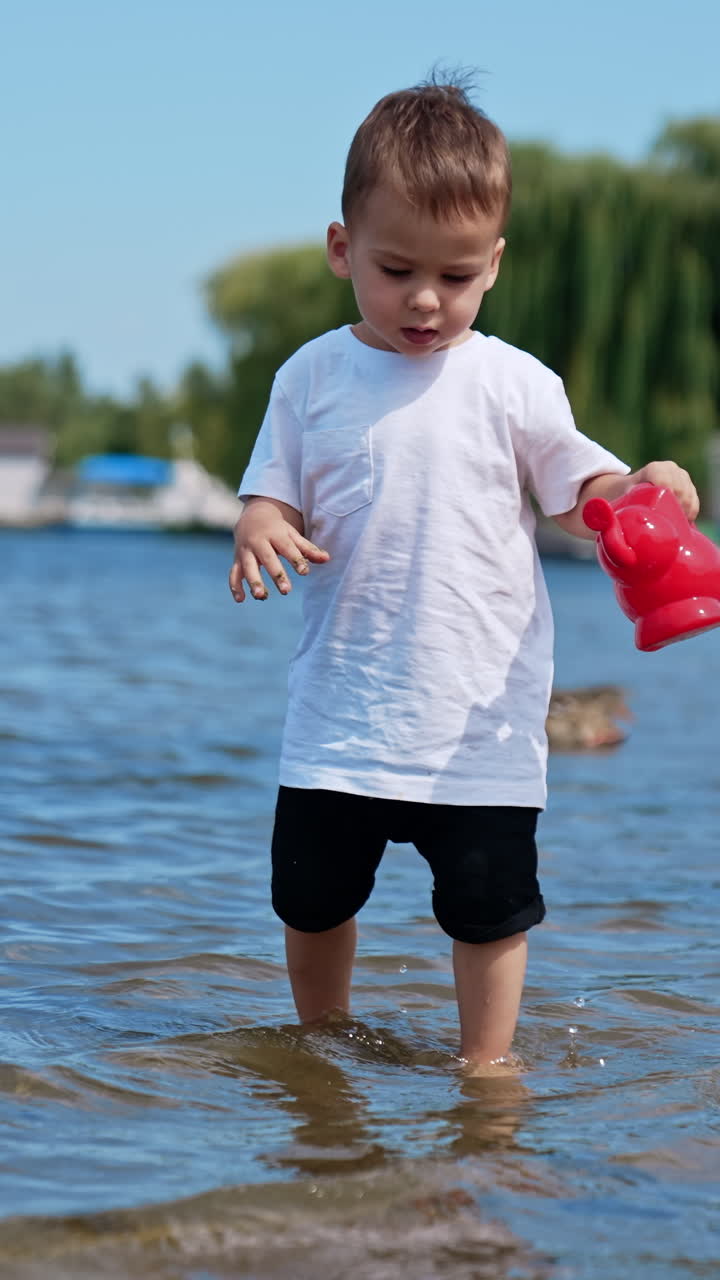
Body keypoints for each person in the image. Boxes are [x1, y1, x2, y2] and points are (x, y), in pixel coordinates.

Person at [228, 79, 698, 1070]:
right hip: (342, 722)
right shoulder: (310, 377)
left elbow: (581, 490)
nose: (428, 299)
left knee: (489, 910)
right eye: (397, 269)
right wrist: (262, 522)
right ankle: (323, 1039)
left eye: (458, 273)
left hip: (477, 725)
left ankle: (488, 1065)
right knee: (310, 896)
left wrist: (638, 487)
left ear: (495, 264)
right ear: (341, 248)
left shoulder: (514, 383)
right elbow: (272, 491)